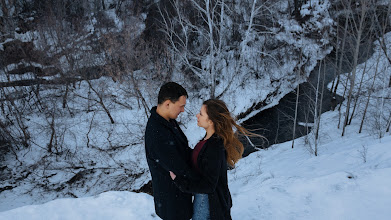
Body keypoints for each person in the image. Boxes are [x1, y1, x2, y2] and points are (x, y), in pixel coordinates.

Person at [170, 99, 256, 220]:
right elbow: (199, 159)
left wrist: (179, 182)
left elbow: (208, 186)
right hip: (205, 199)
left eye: (201, 113)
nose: (197, 115)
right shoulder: (208, 139)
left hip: (206, 201)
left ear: (210, 121)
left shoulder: (214, 148)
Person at [144, 82, 199, 220]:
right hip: (172, 204)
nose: (183, 110)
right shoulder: (157, 133)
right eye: (181, 106)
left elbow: (183, 150)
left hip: (179, 197)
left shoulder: (167, 121)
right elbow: (179, 167)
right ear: (168, 103)